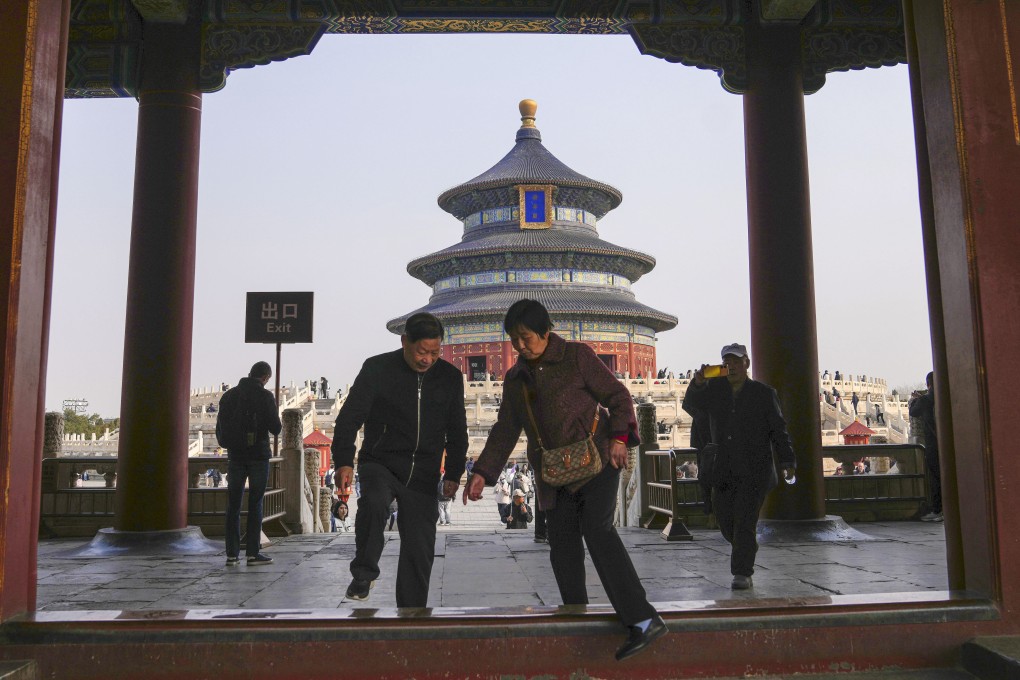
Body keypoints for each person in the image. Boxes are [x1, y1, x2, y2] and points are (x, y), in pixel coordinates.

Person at [463, 299, 666, 662]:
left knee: (598, 530)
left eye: (526, 338)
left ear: (545, 332)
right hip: (554, 474)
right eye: (514, 340)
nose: (520, 347)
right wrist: (482, 472)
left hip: (597, 460)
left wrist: (620, 438)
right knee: (562, 546)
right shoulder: (515, 379)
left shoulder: (577, 357)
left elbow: (618, 397)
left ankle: (643, 619)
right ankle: (576, 615)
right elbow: (506, 428)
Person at [330, 312, 468, 607]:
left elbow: (457, 429)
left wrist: (454, 473)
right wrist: (343, 461)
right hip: (381, 462)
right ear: (405, 341)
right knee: (374, 502)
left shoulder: (449, 377)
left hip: (424, 472)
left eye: (435, 352)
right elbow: (349, 417)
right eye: (421, 351)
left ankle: (412, 613)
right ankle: (364, 573)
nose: (427, 359)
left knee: (420, 547)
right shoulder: (377, 369)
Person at [682, 343, 796, 591]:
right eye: (727, 362)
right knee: (726, 521)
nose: (731, 366)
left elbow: (778, 429)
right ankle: (746, 546)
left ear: (746, 363)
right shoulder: (714, 390)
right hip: (722, 468)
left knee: (745, 520)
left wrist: (787, 460)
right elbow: (691, 407)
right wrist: (698, 384)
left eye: (736, 361)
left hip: (754, 469)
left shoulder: (764, 394)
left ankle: (742, 572)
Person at [216, 361, 282, 567]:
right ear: (265, 378)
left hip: (235, 456)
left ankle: (231, 554)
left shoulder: (229, 396)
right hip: (258, 455)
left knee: (233, 505)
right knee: (255, 503)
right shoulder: (265, 396)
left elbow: (220, 430)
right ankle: (252, 553)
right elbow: (276, 428)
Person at [909, 371, 943, 522]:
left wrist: (917, 399)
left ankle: (939, 509)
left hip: (933, 444)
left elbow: (913, 412)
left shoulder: (925, 399)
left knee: (937, 478)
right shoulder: (948, 394)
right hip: (950, 443)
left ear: (928, 384)